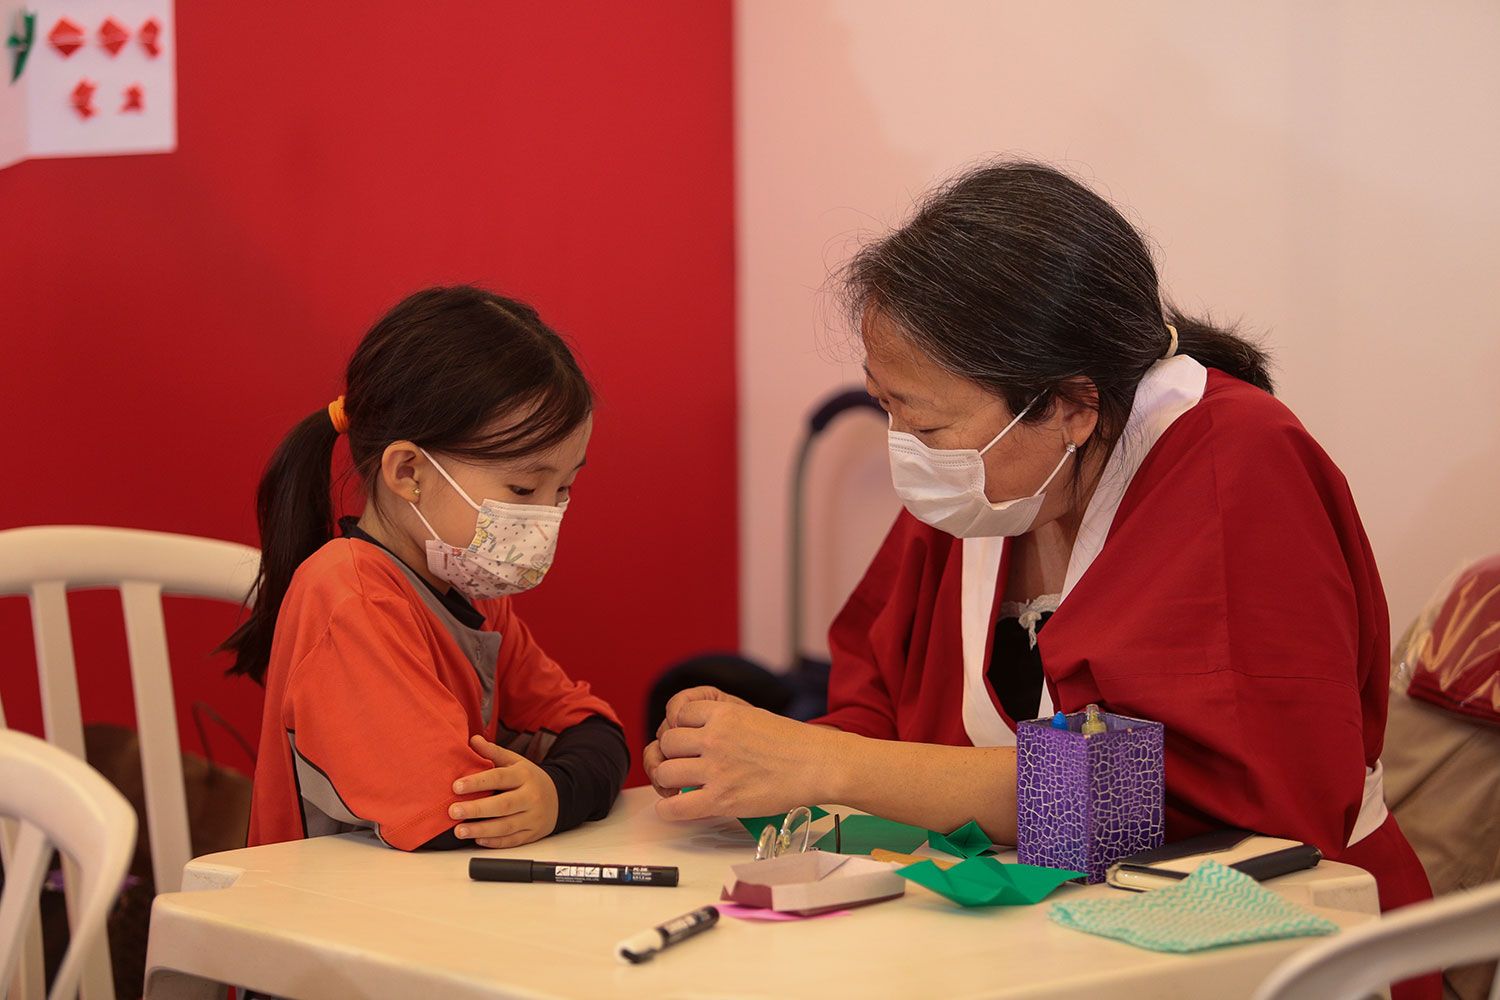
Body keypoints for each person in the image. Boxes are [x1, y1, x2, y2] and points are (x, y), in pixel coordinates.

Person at [647, 162, 1435, 961]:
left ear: (1071, 406)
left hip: (1263, 943)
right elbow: (877, 713)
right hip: (1026, 936)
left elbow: (1209, 800)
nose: (906, 451)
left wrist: (828, 763)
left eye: (926, 426)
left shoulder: (1239, 467)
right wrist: (753, 762)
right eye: (887, 406)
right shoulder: (985, 491)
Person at [226, 285, 627, 851]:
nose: (547, 515)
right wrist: (553, 794)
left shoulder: (473, 593)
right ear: (409, 472)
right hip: (336, 903)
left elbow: (594, 729)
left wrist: (555, 794)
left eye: (563, 488)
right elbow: (453, 815)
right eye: (523, 488)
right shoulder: (351, 597)